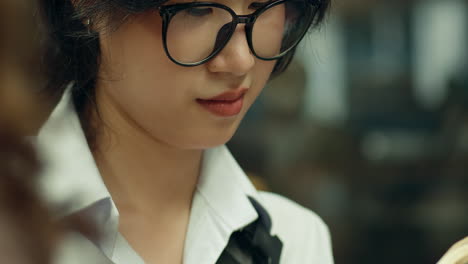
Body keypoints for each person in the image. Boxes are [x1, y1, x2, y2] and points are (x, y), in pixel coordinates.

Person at [37, 0, 333, 263]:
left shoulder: (297, 240)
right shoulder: (15, 219)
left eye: (261, 6)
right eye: (198, 9)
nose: (241, 60)